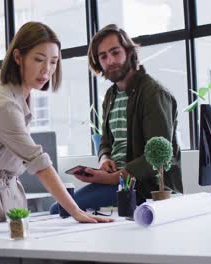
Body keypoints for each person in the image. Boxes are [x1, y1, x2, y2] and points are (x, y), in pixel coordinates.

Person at [0, 21, 113, 225]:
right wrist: (76, 211)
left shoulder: (23, 96)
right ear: (18, 57)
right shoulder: (5, 105)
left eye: (54, 62)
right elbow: (39, 162)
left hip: (8, 189)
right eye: (39, 59)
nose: (46, 70)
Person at [50, 24, 183, 214]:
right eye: (103, 56)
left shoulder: (153, 94)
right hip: (117, 181)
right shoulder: (111, 96)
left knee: (60, 210)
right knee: (61, 209)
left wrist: (109, 178)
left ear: (129, 52)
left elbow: (157, 158)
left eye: (115, 52)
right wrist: (104, 158)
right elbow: (106, 141)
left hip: (143, 187)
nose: (110, 61)